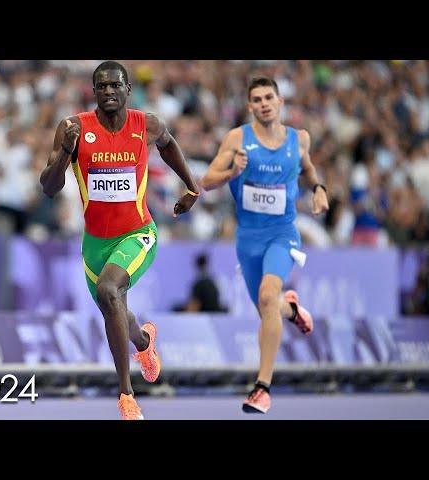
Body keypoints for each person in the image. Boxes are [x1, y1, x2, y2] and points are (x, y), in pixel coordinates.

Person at [40, 61, 199, 419]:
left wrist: (192, 187)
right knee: (116, 309)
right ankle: (144, 343)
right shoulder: (73, 128)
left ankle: (126, 395)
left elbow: (169, 145)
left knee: (109, 291)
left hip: (138, 233)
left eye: (115, 86)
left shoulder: (147, 124)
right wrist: (65, 153)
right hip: (94, 244)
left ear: (128, 89)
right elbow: (49, 189)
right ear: (93, 91)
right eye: (101, 87)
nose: (109, 92)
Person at [201, 77, 329, 414]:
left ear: (280, 100)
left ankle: (262, 387)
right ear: (250, 106)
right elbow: (206, 181)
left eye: (268, 97)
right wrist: (232, 171)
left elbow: (308, 166)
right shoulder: (237, 139)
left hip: (282, 234)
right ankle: (292, 310)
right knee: (269, 309)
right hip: (248, 239)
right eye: (256, 100)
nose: (264, 104)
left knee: (267, 296)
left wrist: (318, 188)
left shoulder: (298, 139)